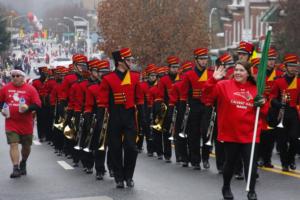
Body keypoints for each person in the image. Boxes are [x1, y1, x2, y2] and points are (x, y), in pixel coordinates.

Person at [203, 61, 268, 200]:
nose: (238, 72)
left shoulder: (256, 89)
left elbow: (264, 112)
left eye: (242, 70)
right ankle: (226, 186)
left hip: (250, 134)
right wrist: (213, 79)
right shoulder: (223, 85)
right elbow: (207, 97)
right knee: (230, 163)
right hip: (230, 133)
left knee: (251, 163)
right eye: (236, 70)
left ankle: (251, 190)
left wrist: (263, 104)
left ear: (248, 73)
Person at [96, 48, 145, 188]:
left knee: (131, 148)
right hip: (114, 118)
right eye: (128, 60)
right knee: (115, 148)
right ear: (120, 62)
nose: (131, 62)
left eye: (131, 60)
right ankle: (119, 177)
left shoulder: (135, 77)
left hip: (130, 117)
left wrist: (143, 118)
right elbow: (102, 102)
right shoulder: (108, 79)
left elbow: (139, 99)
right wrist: (100, 121)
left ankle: (129, 176)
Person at [0, 69, 41, 178]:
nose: (15, 78)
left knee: (26, 147)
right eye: (13, 76)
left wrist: (28, 107)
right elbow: (0, 102)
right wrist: (2, 110)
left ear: (23, 77)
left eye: (17, 75)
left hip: (26, 124)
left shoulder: (30, 89)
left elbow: (38, 104)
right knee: (13, 144)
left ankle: (23, 162)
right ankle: (15, 168)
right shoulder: (5, 88)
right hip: (11, 123)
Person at [269, 53, 300, 171]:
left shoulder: (299, 81)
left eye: (295, 66)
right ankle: (284, 163)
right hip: (281, 112)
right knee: (281, 142)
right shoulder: (279, 81)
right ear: (286, 67)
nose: (293, 68)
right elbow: (272, 97)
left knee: (294, 139)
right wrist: (278, 104)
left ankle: (291, 158)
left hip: (294, 113)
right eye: (291, 66)